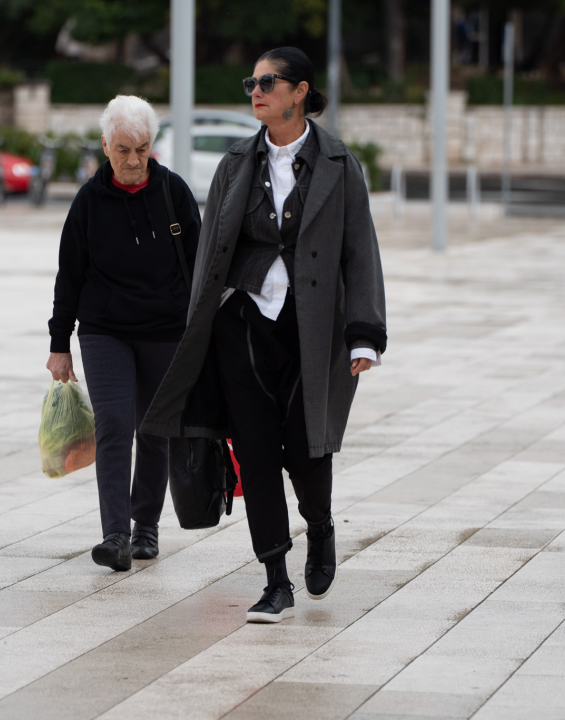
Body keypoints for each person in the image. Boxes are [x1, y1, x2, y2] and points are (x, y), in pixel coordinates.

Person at [141, 47, 387, 623]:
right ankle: (275, 578)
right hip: (245, 325)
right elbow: (211, 251)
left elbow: (360, 251)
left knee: (306, 448)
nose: (256, 91)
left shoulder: (339, 163)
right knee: (253, 451)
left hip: (315, 329)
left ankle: (320, 525)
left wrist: (365, 335)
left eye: (268, 82)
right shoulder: (235, 162)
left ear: (300, 91)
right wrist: (201, 327)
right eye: (251, 83)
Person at [47, 95, 201, 572]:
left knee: (154, 429)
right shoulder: (88, 202)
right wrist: (59, 344)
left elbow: (201, 268)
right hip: (104, 331)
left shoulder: (173, 192)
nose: (134, 161)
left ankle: (145, 525)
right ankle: (115, 535)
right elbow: (69, 275)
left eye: (142, 149)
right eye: (123, 150)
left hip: (166, 330)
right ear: (105, 146)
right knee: (113, 425)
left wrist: (207, 334)